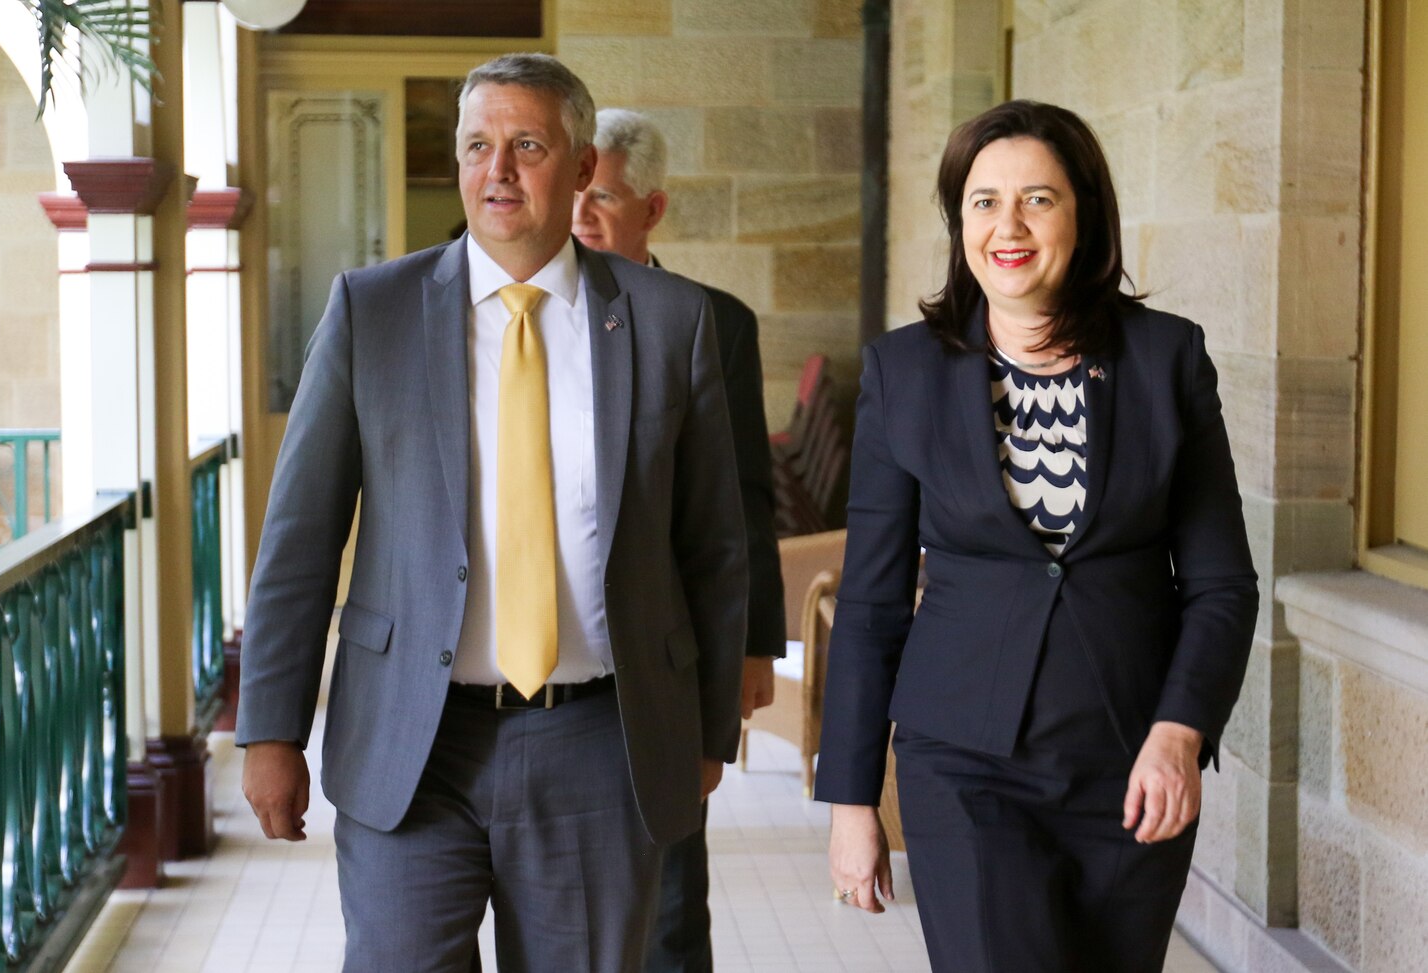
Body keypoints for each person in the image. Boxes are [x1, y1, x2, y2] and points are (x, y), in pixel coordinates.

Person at [236, 53, 749, 973]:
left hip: (599, 738)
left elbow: (712, 544)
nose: (497, 170)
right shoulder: (373, 311)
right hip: (411, 739)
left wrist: (709, 731)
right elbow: (299, 539)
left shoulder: (673, 321)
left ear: (584, 166)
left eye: (527, 145)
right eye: (477, 145)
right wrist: (271, 729)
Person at [815, 100, 1259, 972]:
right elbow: (870, 603)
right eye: (983, 201)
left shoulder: (1167, 360)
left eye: (1038, 200)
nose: (1007, 226)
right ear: (960, 221)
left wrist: (1180, 731)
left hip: (1133, 760)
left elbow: (1221, 583)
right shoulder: (902, 373)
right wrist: (850, 800)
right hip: (963, 763)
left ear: (1084, 215)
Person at [572, 108, 788, 973]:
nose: (581, 214)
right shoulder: (524, 313)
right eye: (575, 191)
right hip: (555, 649)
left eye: (604, 198)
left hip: (664, 649)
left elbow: (742, 498)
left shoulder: (716, 322)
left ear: (652, 209)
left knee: (667, 896)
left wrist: (754, 645)